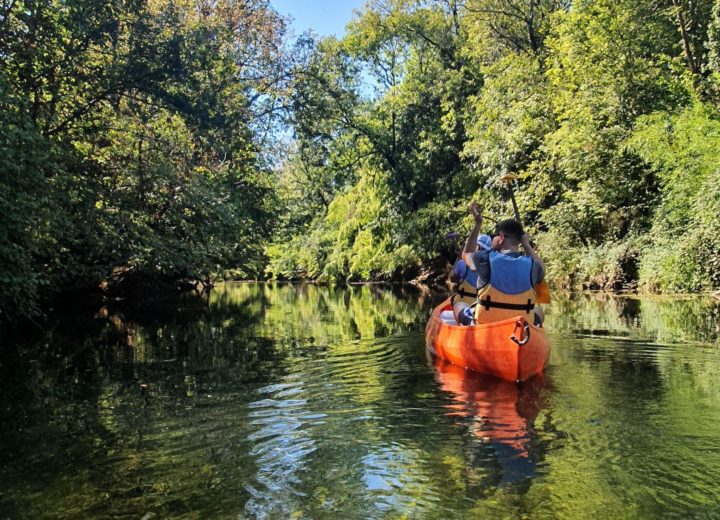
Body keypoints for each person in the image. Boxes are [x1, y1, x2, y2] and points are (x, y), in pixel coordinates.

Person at [456, 201, 545, 326]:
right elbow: (542, 269)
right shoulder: (533, 266)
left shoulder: (485, 258)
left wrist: (478, 224)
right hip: (520, 326)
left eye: (494, 236)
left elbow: (466, 254)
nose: (492, 239)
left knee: (459, 304)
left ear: (501, 238)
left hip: (485, 325)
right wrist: (526, 244)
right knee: (538, 310)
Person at [449, 234, 492, 325]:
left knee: (457, 303)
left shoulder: (462, 263)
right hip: (480, 309)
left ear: (478, 247)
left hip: (462, 306)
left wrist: (459, 258)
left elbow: (452, 279)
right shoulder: (492, 267)